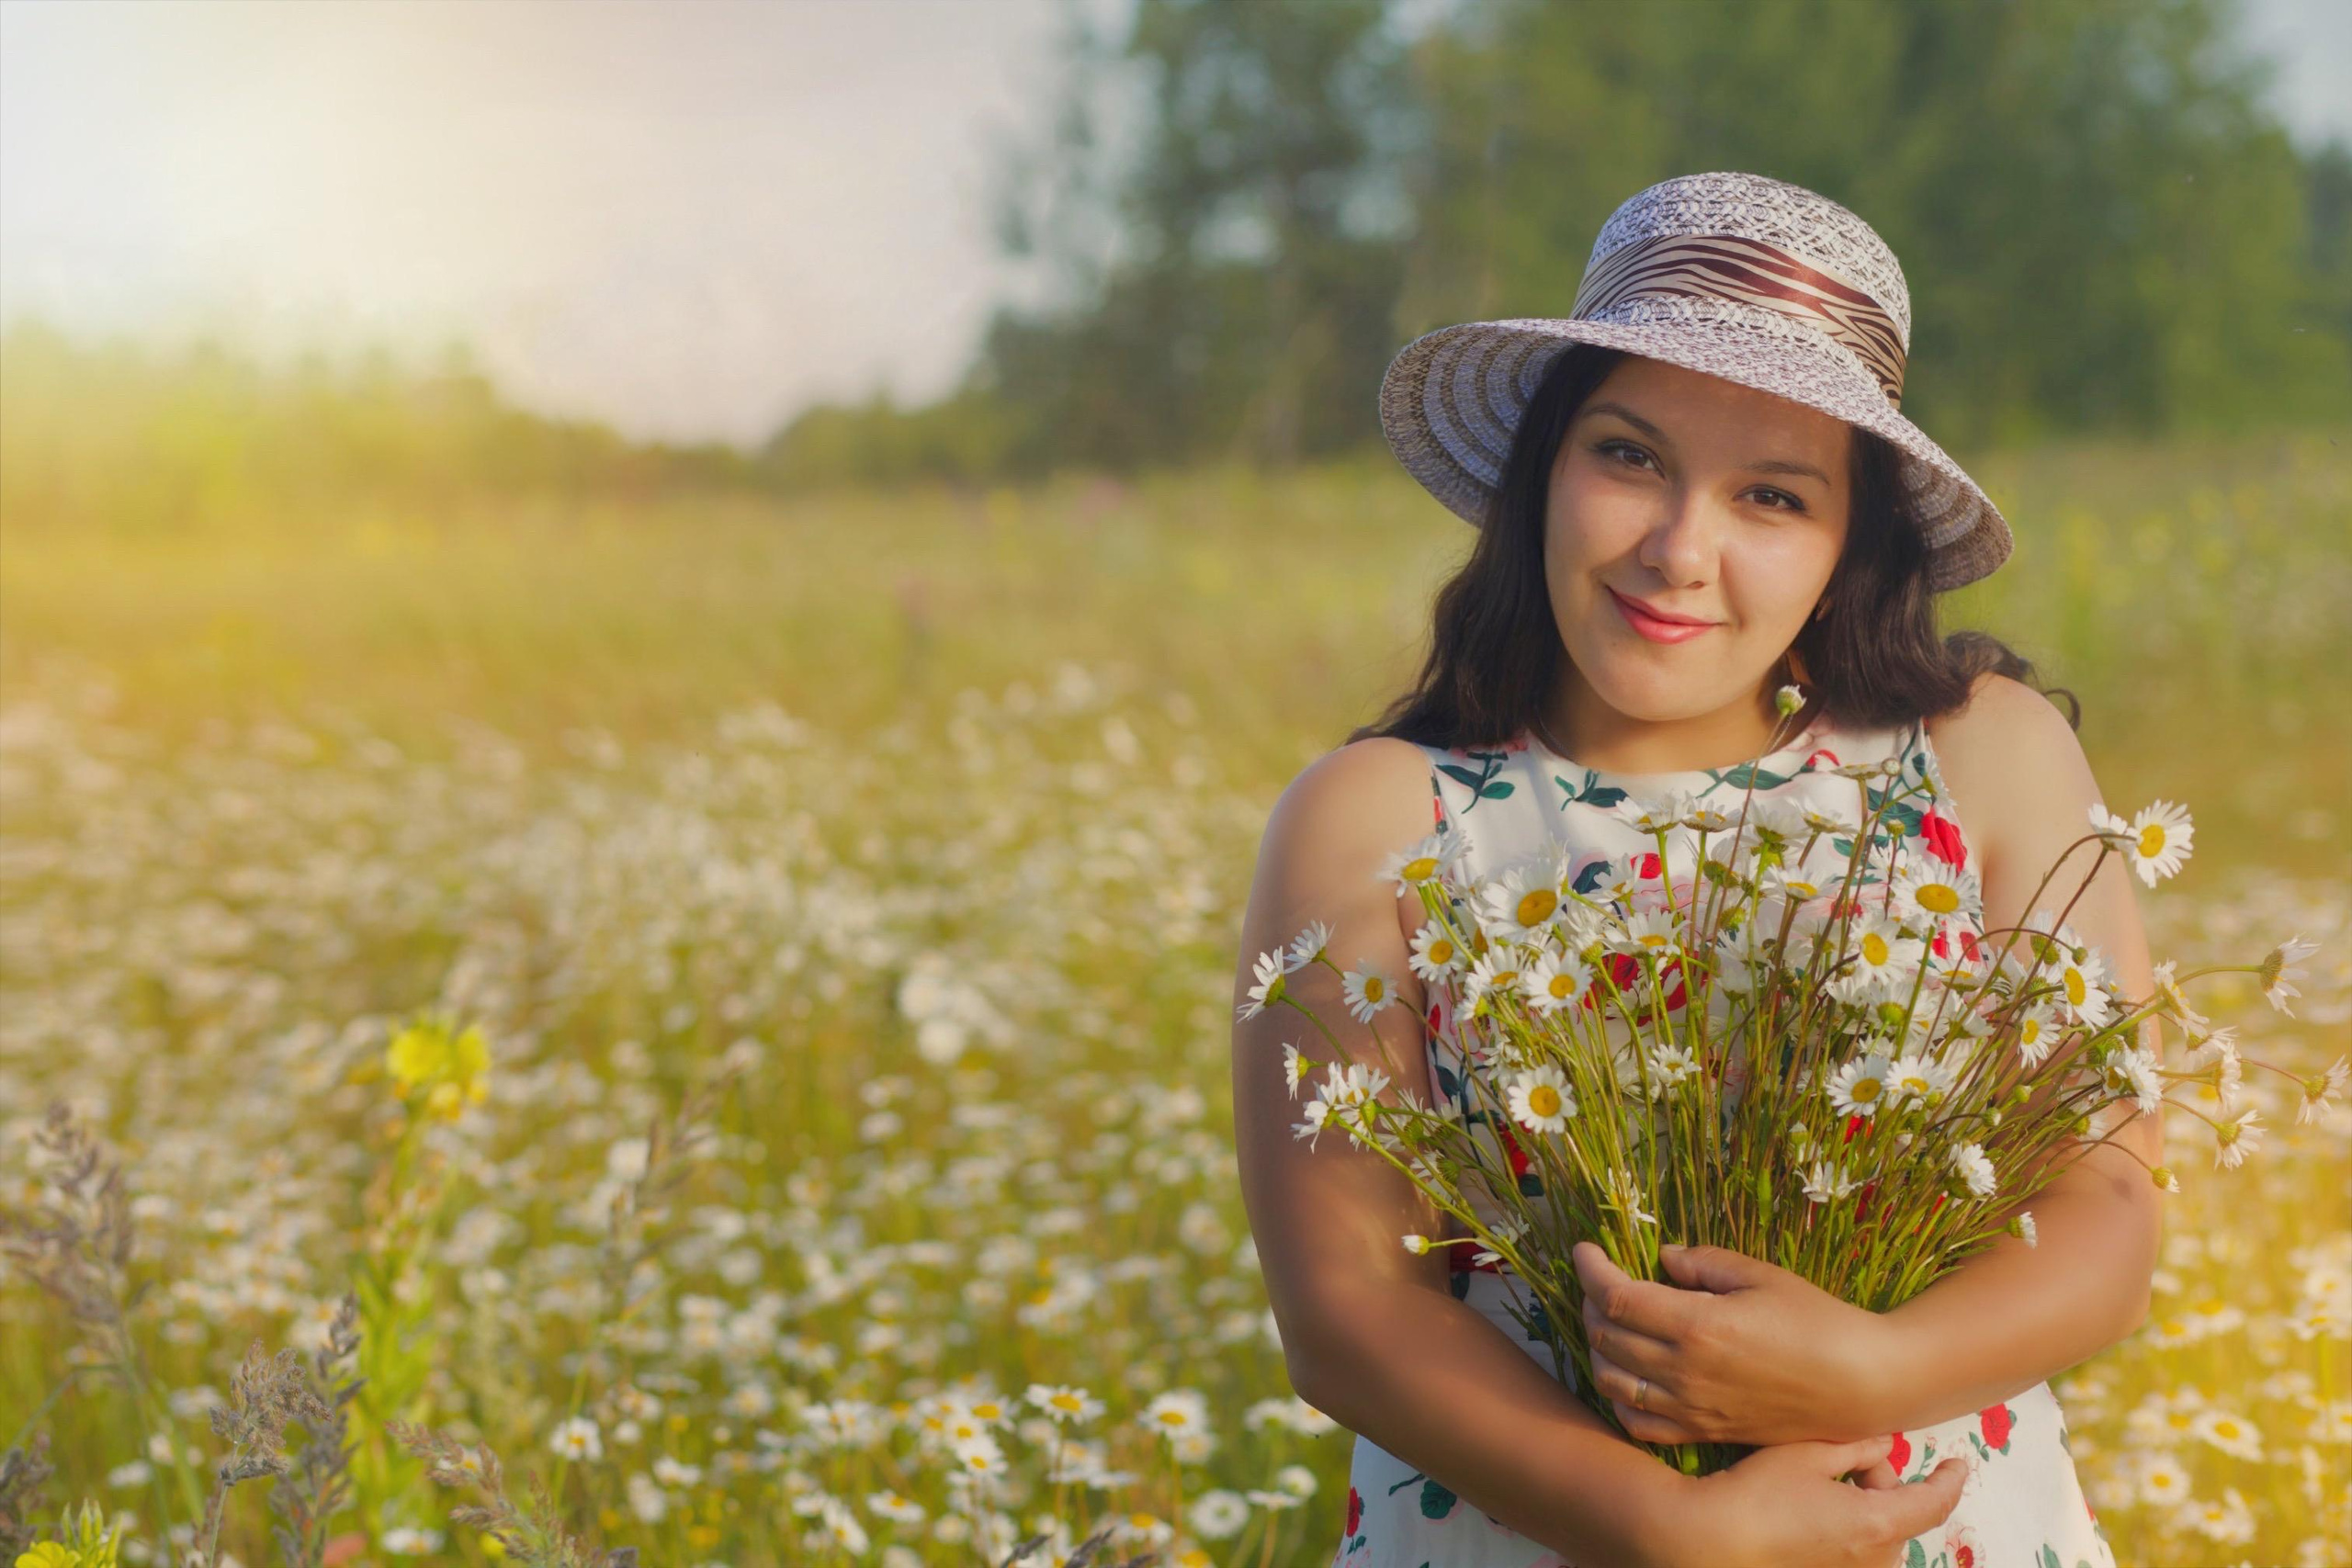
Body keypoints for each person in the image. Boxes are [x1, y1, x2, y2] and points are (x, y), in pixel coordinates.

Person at [1228, 171, 2161, 1568]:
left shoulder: (1979, 760)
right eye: (1630, 457)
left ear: (1851, 548)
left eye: (1773, 496)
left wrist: (1861, 1376)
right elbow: (1348, 1309)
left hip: (1922, 1517)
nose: (1679, 552)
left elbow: (2108, 1203)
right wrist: (1674, 1529)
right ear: (1545, 465)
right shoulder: (1379, 814)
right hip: (1528, 1531)